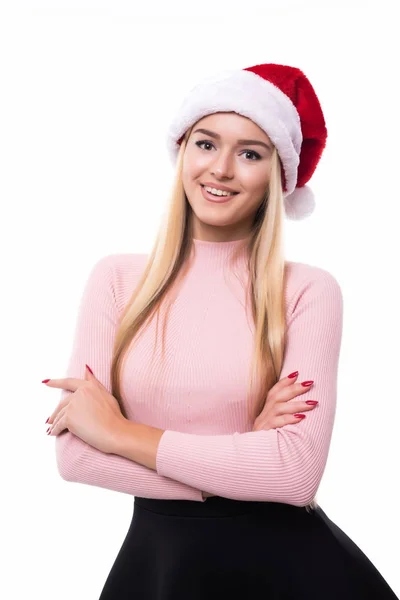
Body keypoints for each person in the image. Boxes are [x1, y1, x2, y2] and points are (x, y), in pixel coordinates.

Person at [45, 63, 399, 598]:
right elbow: (76, 458)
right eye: (207, 144)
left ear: (276, 175)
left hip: (293, 572)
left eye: (250, 153)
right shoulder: (117, 281)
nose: (222, 169)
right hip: (154, 570)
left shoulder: (306, 291)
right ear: (183, 150)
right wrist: (247, 455)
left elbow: (295, 475)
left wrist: (119, 434)